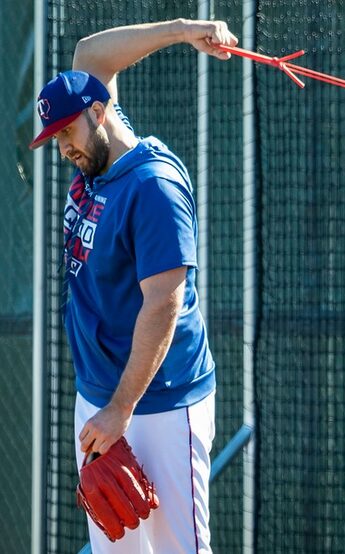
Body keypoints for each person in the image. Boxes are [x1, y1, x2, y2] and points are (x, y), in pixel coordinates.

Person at [30, 19, 238, 553]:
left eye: (67, 134)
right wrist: (184, 31)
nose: (63, 151)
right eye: (54, 141)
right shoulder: (96, 163)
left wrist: (121, 410)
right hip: (100, 405)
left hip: (160, 405)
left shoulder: (152, 186)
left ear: (98, 113)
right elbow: (89, 53)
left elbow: (163, 305)